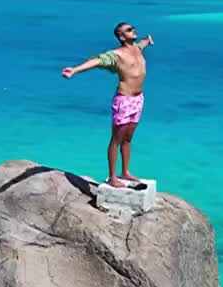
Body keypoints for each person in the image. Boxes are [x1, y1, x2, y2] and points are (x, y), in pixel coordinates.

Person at [62, 22, 154, 186]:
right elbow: (97, 61)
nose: (134, 30)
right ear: (121, 36)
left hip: (138, 99)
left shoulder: (137, 48)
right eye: (129, 30)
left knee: (128, 138)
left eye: (133, 28)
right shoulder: (116, 55)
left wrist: (147, 40)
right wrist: (75, 70)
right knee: (117, 138)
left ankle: (125, 172)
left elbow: (142, 43)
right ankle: (112, 177)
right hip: (124, 100)